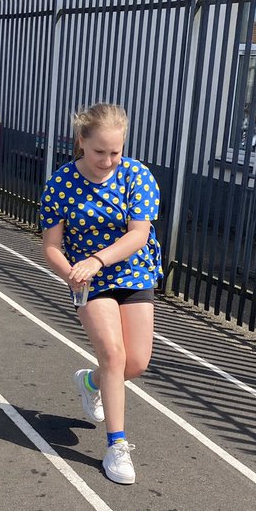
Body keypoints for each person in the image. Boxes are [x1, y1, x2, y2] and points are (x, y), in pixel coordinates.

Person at [40, 102, 162, 486]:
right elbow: (51, 247)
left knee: (135, 363)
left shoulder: (137, 176)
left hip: (134, 273)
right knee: (112, 354)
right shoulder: (60, 184)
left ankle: (90, 382)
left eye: (115, 152)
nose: (107, 161)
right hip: (90, 282)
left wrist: (97, 260)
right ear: (81, 141)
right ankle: (117, 445)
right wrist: (72, 274)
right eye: (99, 152)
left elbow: (138, 234)